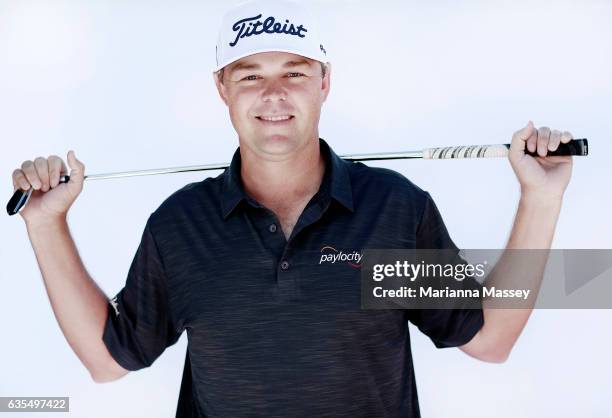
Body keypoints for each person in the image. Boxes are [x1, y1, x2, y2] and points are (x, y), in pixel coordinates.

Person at [11, 0, 574, 417]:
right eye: (251, 76)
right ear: (222, 89)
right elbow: (109, 362)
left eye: (295, 74)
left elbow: (489, 339)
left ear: (324, 83)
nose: (274, 95)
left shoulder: (392, 210)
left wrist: (541, 198)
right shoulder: (181, 225)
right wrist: (46, 222)